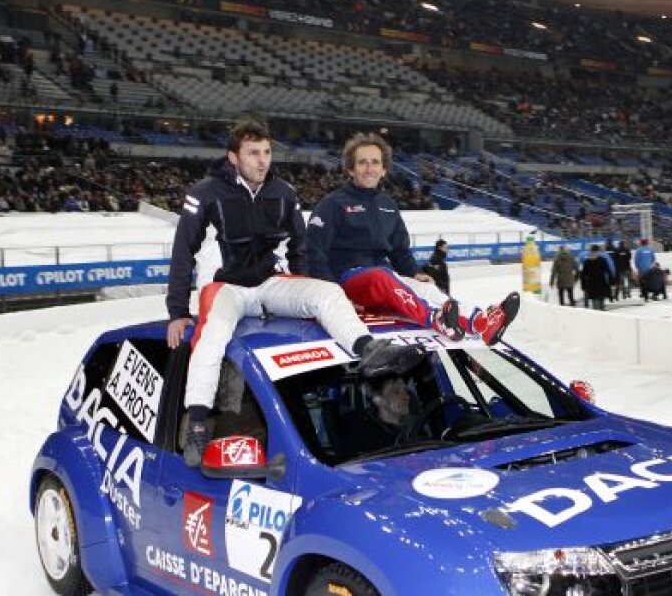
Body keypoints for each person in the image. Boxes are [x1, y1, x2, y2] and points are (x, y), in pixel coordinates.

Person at [165, 121, 423, 466]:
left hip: (270, 283)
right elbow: (183, 251)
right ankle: (197, 422)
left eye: (267, 152)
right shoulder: (205, 192)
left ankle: (368, 348)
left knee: (328, 292)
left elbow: (300, 249)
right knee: (211, 335)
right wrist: (178, 311)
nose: (262, 161)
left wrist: (304, 294)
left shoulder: (283, 192)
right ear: (233, 157)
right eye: (253, 153)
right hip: (227, 287)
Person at [307, 133, 518, 345]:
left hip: (384, 278)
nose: (369, 168)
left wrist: (415, 273)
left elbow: (400, 250)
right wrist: (335, 297)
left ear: (384, 170)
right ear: (350, 169)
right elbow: (314, 253)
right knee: (381, 276)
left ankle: (479, 323)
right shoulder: (332, 204)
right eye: (362, 162)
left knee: (425, 287)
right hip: (348, 282)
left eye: (375, 162)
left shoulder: (388, 205)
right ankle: (435, 319)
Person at [578, 244, 613, 310]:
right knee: (601, 299)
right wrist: (611, 281)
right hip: (601, 283)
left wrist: (583, 285)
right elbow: (608, 271)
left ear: (590, 251)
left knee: (594, 300)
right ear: (598, 251)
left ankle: (596, 312)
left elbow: (583, 274)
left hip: (591, 284)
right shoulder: (602, 260)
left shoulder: (587, 262)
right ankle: (601, 311)